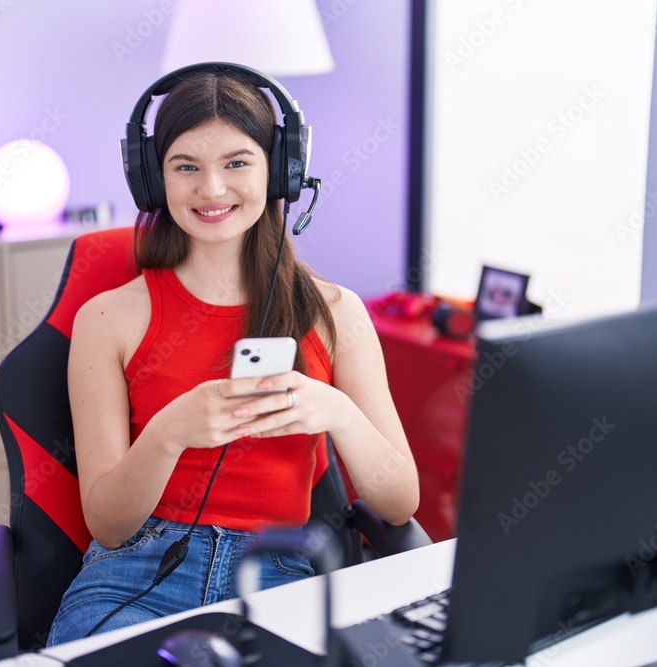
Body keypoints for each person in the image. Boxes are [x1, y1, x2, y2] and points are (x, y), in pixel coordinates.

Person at [46, 66, 419, 646]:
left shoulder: (335, 313)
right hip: (135, 574)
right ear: (152, 178)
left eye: (237, 162)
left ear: (282, 168)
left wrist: (337, 412)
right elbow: (109, 526)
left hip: (280, 573)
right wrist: (169, 433)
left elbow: (400, 504)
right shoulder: (106, 319)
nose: (212, 189)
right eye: (185, 166)